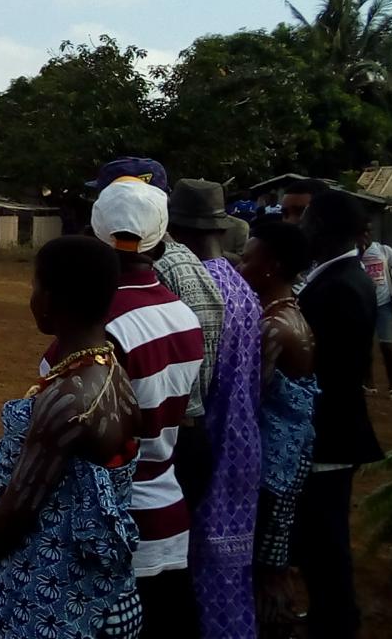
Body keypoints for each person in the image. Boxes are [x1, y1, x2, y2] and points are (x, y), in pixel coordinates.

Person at [0, 235, 142, 637]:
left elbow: (18, 509)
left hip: (63, 605)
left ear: (52, 299)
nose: (32, 297)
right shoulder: (112, 370)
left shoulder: (69, 399)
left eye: (35, 286)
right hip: (109, 593)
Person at [81, 177, 205, 637]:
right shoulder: (183, 315)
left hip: (113, 525)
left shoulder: (97, 327)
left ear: (95, 233)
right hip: (168, 505)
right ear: (160, 237)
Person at [168, 179, 263, 638]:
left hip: (199, 441)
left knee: (186, 566)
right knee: (227, 569)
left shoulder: (190, 287)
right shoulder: (244, 289)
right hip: (243, 442)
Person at [293, 189, 383, 638]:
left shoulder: (340, 286)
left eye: (306, 219)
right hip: (330, 428)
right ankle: (328, 615)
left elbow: (329, 368)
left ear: (324, 229)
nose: (301, 227)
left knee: (324, 539)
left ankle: (336, 623)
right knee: (320, 538)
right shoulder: (340, 276)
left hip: (327, 432)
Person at [238, 221, 318, 634]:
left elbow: (247, 398)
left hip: (271, 465)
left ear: (271, 267)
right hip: (287, 459)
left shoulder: (274, 328)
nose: (240, 266)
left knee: (265, 562)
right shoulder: (291, 315)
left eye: (247, 259)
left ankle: (273, 625)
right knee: (274, 554)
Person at [359, 226, 392, 400]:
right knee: (365, 346)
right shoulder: (354, 255)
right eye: (362, 232)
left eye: (368, 231)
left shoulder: (384, 250)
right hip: (364, 304)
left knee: (387, 345)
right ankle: (369, 384)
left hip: (383, 304)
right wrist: (360, 253)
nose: (365, 235)